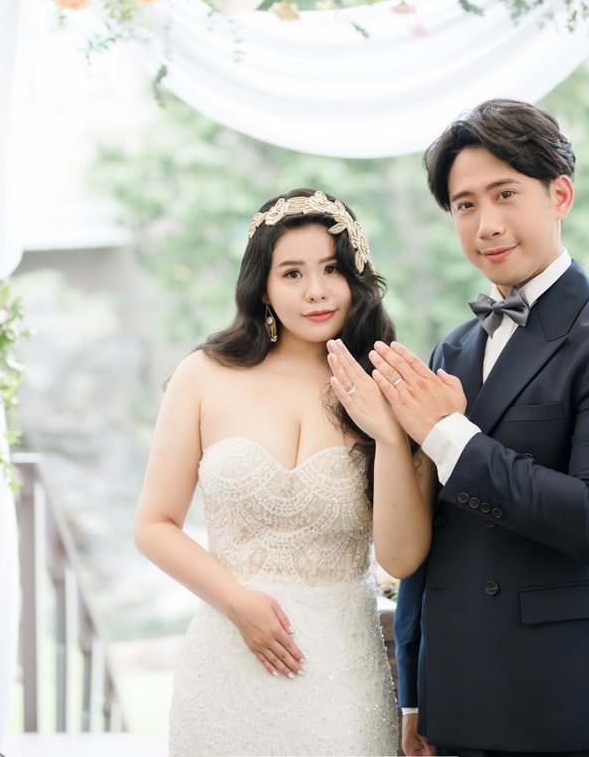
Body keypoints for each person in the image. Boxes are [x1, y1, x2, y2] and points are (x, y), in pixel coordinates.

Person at [373, 99, 589, 757]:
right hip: (459, 705)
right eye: (465, 205)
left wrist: (449, 435)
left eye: (505, 194)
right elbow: (432, 542)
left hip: (572, 706)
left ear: (559, 195)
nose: (487, 224)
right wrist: (416, 693)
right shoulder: (453, 349)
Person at [134, 188, 434, 756]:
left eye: (331, 269)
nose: (315, 290)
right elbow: (153, 524)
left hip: (344, 674)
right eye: (292, 273)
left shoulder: (392, 383)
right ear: (263, 286)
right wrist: (237, 603)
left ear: (357, 278)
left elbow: (400, 560)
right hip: (224, 668)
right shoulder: (203, 375)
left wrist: (390, 435)